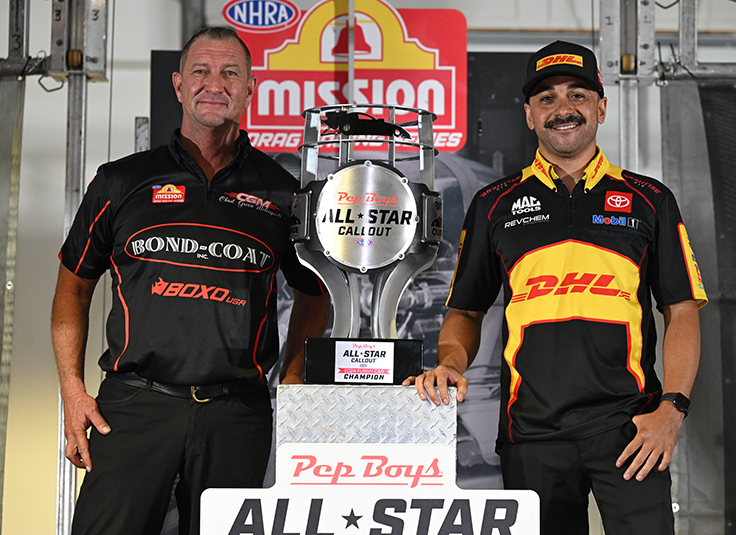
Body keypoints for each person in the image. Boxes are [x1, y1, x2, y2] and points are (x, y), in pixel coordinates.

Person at [405, 40, 707, 534]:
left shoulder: (650, 199)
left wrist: (671, 410)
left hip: (632, 429)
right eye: (546, 98)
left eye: (577, 95)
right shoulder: (493, 204)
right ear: (529, 115)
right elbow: (466, 310)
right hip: (531, 436)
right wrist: (451, 364)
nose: (562, 108)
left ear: (601, 107)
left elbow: (682, 310)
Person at [52, 27, 331, 535]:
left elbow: (315, 294)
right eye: (201, 71)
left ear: (250, 89)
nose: (214, 84)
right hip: (133, 407)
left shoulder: (285, 194)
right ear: (179, 85)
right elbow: (74, 286)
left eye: (230, 73)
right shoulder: (121, 180)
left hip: (235, 414)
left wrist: (292, 379)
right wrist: (73, 390)